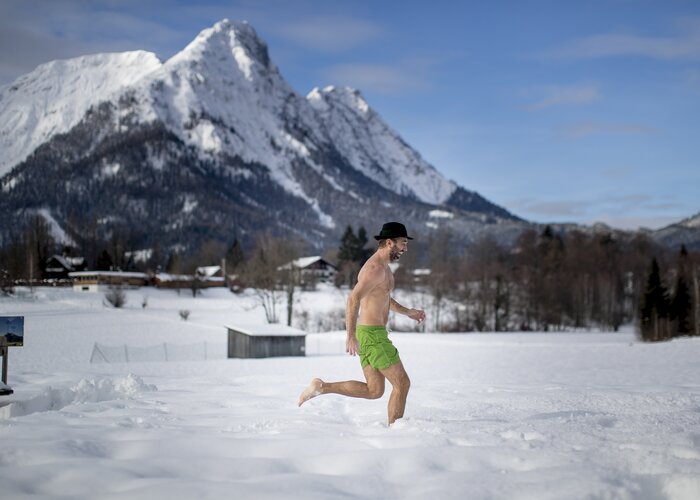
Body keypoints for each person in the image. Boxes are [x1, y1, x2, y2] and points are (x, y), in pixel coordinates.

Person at [298, 222, 426, 425]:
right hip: (372, 336)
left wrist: (407, 312)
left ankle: (322, 387)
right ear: (390, 242)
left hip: (370, 334)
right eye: (403, 243)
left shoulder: (384, 268)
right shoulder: (375, 269)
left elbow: (383, 298)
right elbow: (353, 299)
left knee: (374, 390)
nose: (405, 248)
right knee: (402, 383)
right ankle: (397, 433)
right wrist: (349, 336)